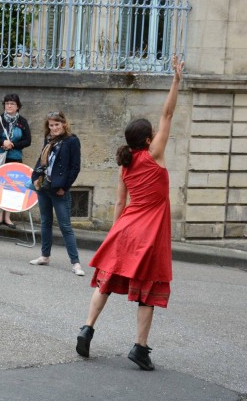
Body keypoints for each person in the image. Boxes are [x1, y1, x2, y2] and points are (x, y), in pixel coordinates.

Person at [77, 58, 183, 372]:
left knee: (106, 282)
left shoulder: (126, 164)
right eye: (153, 132)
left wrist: (113, 233)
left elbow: (120, 204)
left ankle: (87, 328)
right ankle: (140, 347)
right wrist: (177, 80)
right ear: (148, 140)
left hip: (125, 229)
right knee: (147, 290)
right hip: (149, 233)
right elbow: (168, 113)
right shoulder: (155, 154)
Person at [29, 111, 84, 275]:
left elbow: (75, 167)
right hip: (43, 187)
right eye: (51, 125)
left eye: (57, 125)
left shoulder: (72, 141)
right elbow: (41, 161)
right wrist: (35, 177)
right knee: (45, 222)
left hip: (59, 189)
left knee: (65, 226)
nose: (54, 128)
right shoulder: (49, 140)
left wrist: (65, 187)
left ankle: (76, 263)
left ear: (64, 124)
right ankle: (45, 256)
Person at [0, 94, 32, 228]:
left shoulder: (22, 122)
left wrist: (13, 145)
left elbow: (27, 141)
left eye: (12, 104)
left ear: (18, 106)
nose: (9, 106)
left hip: (14, 158)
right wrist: (2, 142)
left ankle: (8, 216)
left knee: (12, 187)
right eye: (7, 103)